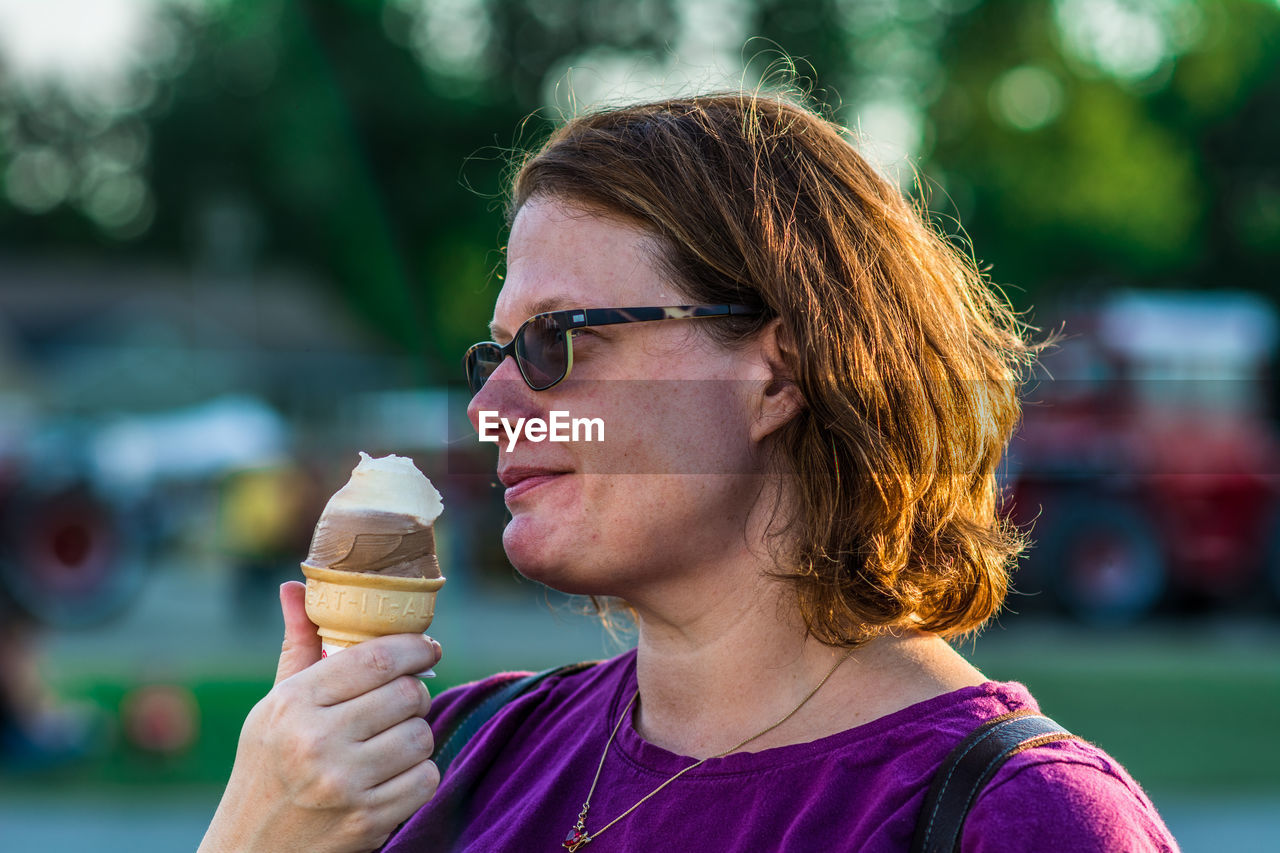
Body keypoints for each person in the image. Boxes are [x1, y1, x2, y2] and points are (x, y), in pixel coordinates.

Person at [199, 92, 1179, 852]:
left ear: (778, 372)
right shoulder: (446, 758)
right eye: (492, 354)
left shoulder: (1015, 821)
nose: (488, 407)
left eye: (552, 341)